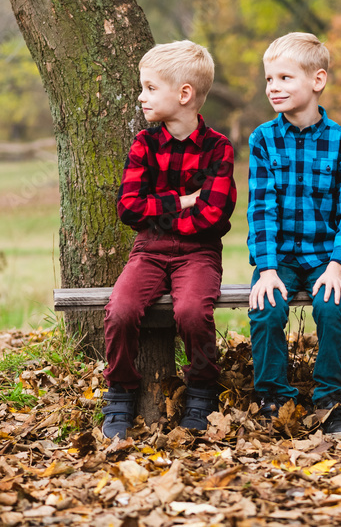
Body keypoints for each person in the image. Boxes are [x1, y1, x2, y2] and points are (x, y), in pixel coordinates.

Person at [101, 40, 237, 440]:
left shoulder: (218, 148)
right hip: (149, 251)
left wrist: (158, 211)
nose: (141, 97)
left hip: (199, 255)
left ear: (184, 94)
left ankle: (201, 389)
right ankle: (121, 391)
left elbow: (213, 214)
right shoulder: (145, 144)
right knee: (121, 310)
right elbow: (128, 209)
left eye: (149, 88)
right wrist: (181, 201)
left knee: (193, 313)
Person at [247, 32, 341, 436]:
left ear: (317, 81)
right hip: (278, 258)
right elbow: (260, 209)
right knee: (267, 309)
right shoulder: (263, 139)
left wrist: (337, 266)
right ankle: (273, 399)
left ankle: (332, 399)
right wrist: (266, 270)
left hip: (325, 257)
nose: (274, 87)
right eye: (269, 79)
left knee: (332, 308)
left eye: (285, 78)